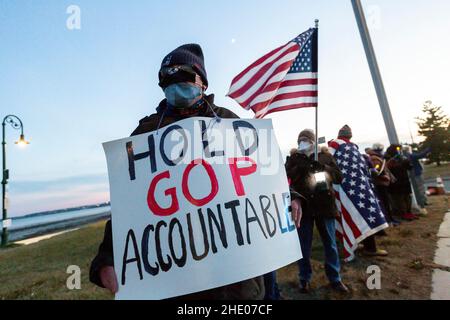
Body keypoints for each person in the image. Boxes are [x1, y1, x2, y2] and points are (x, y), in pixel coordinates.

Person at [89, 43, 302, 300]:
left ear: (203, 82)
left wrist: (289, 196)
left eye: (184, 76)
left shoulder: (229, 122)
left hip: (236, 276)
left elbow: (262, 174)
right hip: (178, 276)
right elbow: (130, 205)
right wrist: (107, 257)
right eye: (167, 78)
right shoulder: (146, 135)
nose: (175, 83)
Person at [285, 129, 349, 294]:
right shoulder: (293, 158)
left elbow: (339, 177)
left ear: (313, 141)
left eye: (306, 139)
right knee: (303, 246)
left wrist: (324, 167)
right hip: (304, 208)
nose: (303, 141)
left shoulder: (325, 156)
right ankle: (304, 278)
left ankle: (335, 279)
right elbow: (285, 178)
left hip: (324, 205)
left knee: (330, 244)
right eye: (300, 139)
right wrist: (299, 167)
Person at [331, 126, 388, 257]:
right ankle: (370, 248)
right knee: (364, 214)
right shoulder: (349, 148)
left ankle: (363, 243)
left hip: (351, 189)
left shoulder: (337, 147)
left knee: (358, 215)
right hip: (356, 188)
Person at [366, 144, 401, 226]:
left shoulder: (377, 157)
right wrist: (384, 176)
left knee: (387, 202)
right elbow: (377, 171)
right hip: (380, 183)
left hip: (382, 183)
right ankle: (388, 220)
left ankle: (390, 218)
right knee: (385, 203)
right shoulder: (375, 158)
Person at [385, 144, 416, 221]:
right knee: (399, 199)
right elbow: (386, 168)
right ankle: (403, 214)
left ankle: (409, 212)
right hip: (395, 183)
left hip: (404, 181)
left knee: (408, 197)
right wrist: (393, 160)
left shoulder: (402, 157)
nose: (399, 150)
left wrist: (406, 161)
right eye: (398, 149)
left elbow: (409, 167)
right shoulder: (387, 158)